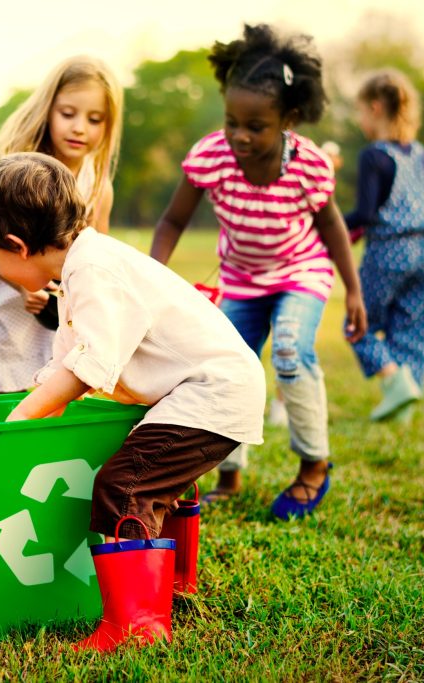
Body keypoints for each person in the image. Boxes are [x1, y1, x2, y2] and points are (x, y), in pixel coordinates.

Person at [0, 152, 265, 650]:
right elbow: (67, 364)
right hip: (205, 390)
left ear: (17, 245)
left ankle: (137, 626)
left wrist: (19, 418)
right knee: (158, 480)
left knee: (125, 486)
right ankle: (173, 589)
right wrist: (42, 403)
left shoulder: (95, 272)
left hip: (211, 392)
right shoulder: (85, 266)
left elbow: (87, 367)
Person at [150, 24, 367, 520]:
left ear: (289, 118)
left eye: (256, 125)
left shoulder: (308, 166)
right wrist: (154, 278)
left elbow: (331, 227)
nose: (240, 135)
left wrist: (353, 290)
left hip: (300, 271)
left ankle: (314, 466)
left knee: (290, 349)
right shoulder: (211, 156)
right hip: (243, 280)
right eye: (232, 121)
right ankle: (229, 472)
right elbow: (172, 220)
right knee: (226, 368)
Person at [0, 56, 123, 393]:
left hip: (56, 307)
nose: (80, 128)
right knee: (12, 392)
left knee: (56, 386)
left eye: (95, 119)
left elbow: (97, 256)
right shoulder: (17, 170)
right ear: (48, 110)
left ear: (108, 126)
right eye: (68, 114)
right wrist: (23, 286)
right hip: (7, 298)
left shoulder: (98, 186)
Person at [344, 69, 424, 422]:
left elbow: (366, 213)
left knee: (359, 326)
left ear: (374, 108)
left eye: (359, 111)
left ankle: (394, 383)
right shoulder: (420, 153)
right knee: (412, 331)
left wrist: (328, 224)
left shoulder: (374, 155)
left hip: (389, 252)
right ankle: (402, 408)